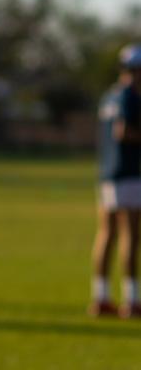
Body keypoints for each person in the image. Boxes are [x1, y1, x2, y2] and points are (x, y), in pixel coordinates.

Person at [90, 44, 141, 318]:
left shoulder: (109, 96)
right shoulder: (130, 96)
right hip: (129, 173)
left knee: (106, 234)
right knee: (131, 237)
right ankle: (132, 301)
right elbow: (124, 133)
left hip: (107, 174)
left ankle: (101, 297)